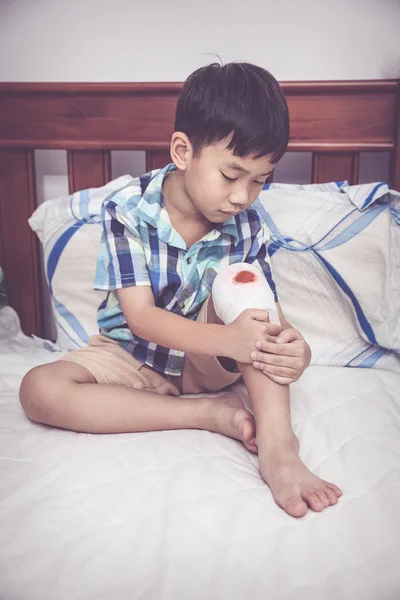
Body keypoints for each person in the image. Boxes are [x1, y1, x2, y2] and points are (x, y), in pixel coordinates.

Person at [20, 62, 342, 517]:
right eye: (231, 176)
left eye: (260, 181)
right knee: (39, 390)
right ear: (182, 151)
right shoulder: (128, 211)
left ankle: (279, 447)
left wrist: (294, 348)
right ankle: (205, 414)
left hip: (209, 360)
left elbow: (264, 313)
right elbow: (141, 317)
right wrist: (230, 341)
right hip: (134, 352)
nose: (242, 197)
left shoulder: (247, 226)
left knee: (240, 286)